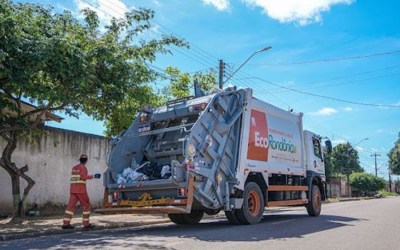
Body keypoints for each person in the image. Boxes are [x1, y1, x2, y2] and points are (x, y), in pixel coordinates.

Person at [62, 153, 101, 230]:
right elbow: (83, 177)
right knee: (86, 206)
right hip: (81, 190)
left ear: (80, 160)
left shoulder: (74, 168)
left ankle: (66, 224)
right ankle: (86, 224)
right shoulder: (83, 168)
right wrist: (93, 176)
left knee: (70, 207)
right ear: (86, 161)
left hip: (73, 190)